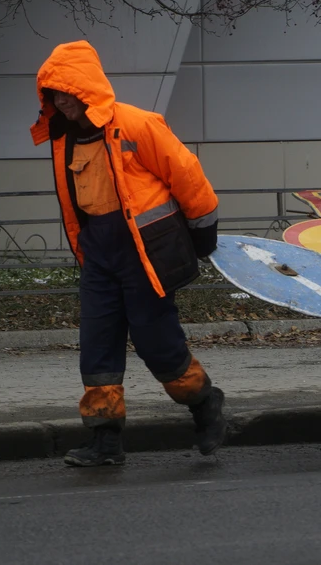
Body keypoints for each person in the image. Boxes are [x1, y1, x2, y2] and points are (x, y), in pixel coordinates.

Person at [30, 40, 226, 467]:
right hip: (99, 254)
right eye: (53, 95)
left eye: (66, 92)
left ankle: (205, 403)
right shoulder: (64, 138)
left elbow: (188, 174)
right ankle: (105, 442)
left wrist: (203, 232)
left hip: (144, 252)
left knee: (158, 344)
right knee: (97, 346)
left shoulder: (136, 124)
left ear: (86, 88)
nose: (60, 102)